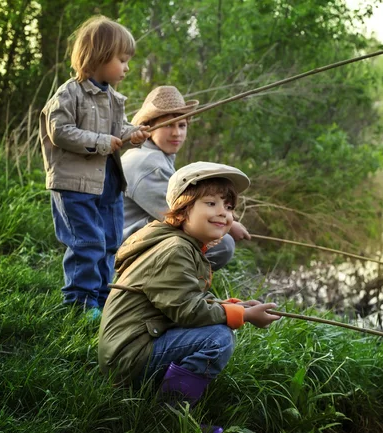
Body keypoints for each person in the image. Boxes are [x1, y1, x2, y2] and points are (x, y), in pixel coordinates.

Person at [98, 162, 280, 422]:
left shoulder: (182, 244)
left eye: (228, 207)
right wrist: (244, 316)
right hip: (128, 358)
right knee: (217, 338)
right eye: (211, 203)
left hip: (133, 347)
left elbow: (182, 299)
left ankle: (165, 392)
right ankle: (170, 414)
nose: (224, 214)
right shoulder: (176, 249)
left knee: (217, 330)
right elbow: (188, 311)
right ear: (183, 209)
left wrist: (233, 305)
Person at [39, 16, 150, 317]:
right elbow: (59, 132)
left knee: (110, 242)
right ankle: (79, 303)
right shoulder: (68, 94)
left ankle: (102, 298)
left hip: (108, 183)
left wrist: (133, 134)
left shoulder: (114, 98)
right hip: (75, 185)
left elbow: (120, 128)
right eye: (122, 60)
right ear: (98, 57)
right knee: (87, 242)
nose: (127, 67)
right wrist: (102, 141)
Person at [122, 86, 250, 271]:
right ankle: (172, 284)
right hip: (125, 247)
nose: (177, 133)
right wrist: (229, 226)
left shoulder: (152, 155)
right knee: (223, 244)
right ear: (149, 127)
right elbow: (181, 215)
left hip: (137, 238)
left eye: (182, 125)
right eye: (168, 125)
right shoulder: (149, 163)